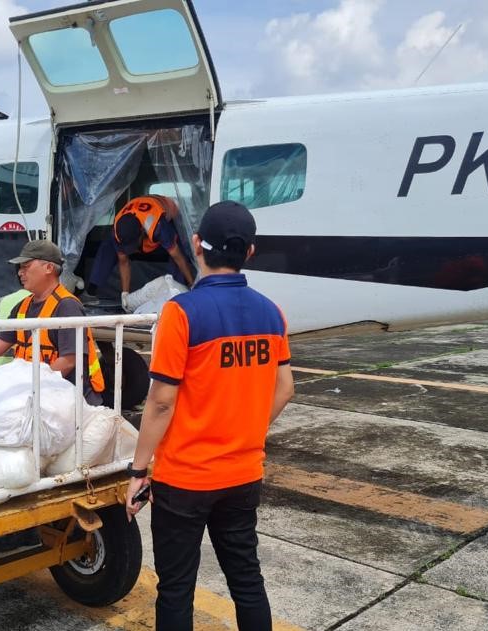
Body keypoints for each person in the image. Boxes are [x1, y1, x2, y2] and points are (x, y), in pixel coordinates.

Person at [125, 201, 295, 631]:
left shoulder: (181, 313)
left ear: (197, 245)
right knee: (246, 580)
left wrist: (138, 470)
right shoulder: (271, 313)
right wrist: (246, 432)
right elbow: (286, 388)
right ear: (249, 253)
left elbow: (161, 402)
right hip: (242, 473)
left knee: (177, 588)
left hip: (185, 479)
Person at [0, 239, 105, 404]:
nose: (19, 273)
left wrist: (30, 388)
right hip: (38, 397)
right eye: (20, 268)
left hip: (69, 402)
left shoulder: (67, 306)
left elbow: (68, 361)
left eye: (26, 266)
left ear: (49, 268)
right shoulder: (23, 307)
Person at [87, 195, 195, 309]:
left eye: (133, 245)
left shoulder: (158, 225)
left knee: (177, 252)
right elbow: (124, 262)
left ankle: (179, 295)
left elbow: (178, 256)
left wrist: (192, 284)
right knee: (107, 246)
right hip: (137, 215)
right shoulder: (117, 232)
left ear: (142, 231)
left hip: (169, 213)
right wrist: (125, 295)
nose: (132, 250)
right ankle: (91, 291)